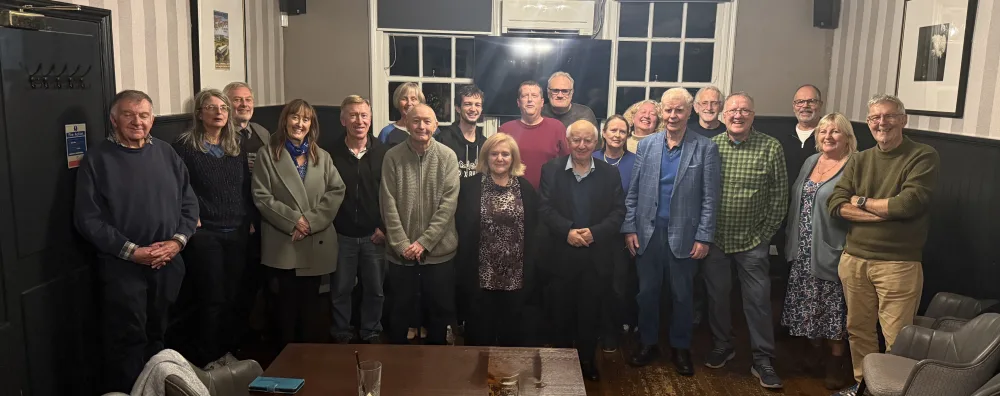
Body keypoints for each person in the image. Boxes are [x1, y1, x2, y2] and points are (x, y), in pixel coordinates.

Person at [74, 90, 198, 393]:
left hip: (168, 263)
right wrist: (133, 252)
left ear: (153, 120)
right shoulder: (97, 159)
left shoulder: (167, 153)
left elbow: (189, 204)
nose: (137, 121)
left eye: (143, 115)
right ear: (114, 119)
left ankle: (155, 389)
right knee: (127, 340)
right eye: (128, 114)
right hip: (123, 267)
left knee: (159, 333)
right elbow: (88, 219)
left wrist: (176, 243)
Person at [827, 94, 939, 396]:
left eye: (889, 116)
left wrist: (862, 202)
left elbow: (909, 203)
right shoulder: (861, 159)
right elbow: (836, 202)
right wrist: (883, 212)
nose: (881, 123)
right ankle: (865, 387)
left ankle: (895, 391)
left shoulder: (922, 155)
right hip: (853, 260)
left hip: (898, 263)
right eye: (875, 117)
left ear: (903, 119)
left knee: (899, 338)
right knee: (858, 330)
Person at [623, 88, 721, 377]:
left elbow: (710, 198)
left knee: (682, 295)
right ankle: (648, 342)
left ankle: (680, 347)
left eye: (679, 110)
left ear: (689, 112)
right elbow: (634, 190)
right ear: (661, 113)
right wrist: (629, 227)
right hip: (647, 233)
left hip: (685, 236)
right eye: (668, 110)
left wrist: (704, 236)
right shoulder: (647, 146)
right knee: (647, 293)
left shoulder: (705, 148)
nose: (673, 115)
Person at [705, 92, 788, 389]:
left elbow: (779, 197)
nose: (738, 115)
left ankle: (763, 358)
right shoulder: (710, 147)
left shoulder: (770, 147)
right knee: (717, 298)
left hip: (753, 241)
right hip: (715, 239)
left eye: (744, 110)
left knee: (758, 302)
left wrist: (765, 236)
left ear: (753, 115)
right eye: (733, 110)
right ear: (723, 115)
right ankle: (722, 345)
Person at [252, 99, 347, 347]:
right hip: (284, 244)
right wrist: (295, 221)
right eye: (295, 117)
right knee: (284, 315)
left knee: (313, 314)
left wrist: (310, 222)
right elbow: (261, 196)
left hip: (316, 242)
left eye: (306, 119)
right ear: (285, 120)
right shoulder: (267, 154)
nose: (300, 124)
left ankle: (311, 367)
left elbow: (336, 191)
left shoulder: (322, 156)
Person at [172, 89, 253, 369]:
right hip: (206, 232)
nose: (219, 112)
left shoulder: (237, 144)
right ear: (199, 113)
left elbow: (245, 186)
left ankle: (229, 352)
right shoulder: (185, 145)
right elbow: (179, 186)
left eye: (223, 108)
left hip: (238, 229)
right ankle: (208, 358)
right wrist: (190, 215)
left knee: (233, 295)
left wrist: (249, 219)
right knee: (211, 298)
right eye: (211, 107)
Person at [539, 120, 625, 382]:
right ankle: (562, 363)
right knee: (561, 313)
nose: (582, 145)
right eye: (576, 139)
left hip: (596, 256)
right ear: (568, 142)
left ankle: (587, 360)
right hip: (562, 255)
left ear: (597, 142)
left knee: (590, 313)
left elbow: (619, 211)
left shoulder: (610, 173)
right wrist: (567, 231)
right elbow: (543, 207)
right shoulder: (551, 169)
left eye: (588, 140)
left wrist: (594, 233)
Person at [780, 112, 856, 391]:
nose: (828, 136)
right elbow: (797, 199)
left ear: (847, 137)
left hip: (832, 249)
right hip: (802, 248)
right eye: (823, 132)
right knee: (807, 308)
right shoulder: (812, 161)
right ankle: (814, 355)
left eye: (835, 132)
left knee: (833, 311)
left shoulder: (854, 165)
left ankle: (836, 363)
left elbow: (855, 208)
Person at [380, 104, 461, 345]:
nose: (421, 126)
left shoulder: (448, 156)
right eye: (416, 121)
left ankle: (435, 374)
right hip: (400, 255)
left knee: (438, 316)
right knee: (399, 316)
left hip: (439, 254)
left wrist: (424, 242)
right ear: (406, 124)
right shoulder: (392, 157)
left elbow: (448, 205)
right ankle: (399, 373)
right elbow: (388, 203)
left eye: (427, 121)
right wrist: (403, 244)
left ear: (436, 126)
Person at [456, 133, 538, 347]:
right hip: (481, 275)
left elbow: (535, 230)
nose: (500, 158)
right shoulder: (469, 187)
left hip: (516, 276)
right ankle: (478, 380)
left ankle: (509, 379)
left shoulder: (526, 189)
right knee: (479, 337)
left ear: (513, 158)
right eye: (494, 154)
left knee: (512, 338)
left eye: (505, 154)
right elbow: (461, 228)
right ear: (486, 157)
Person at [329, 95, 390, 345]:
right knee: (341, 289)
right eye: (353, 115)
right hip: (341, 235)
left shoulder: (385, 154)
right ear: (343, 120)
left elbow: (391, 194)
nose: (359, 120)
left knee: (375, 290)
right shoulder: (329, 153)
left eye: (364, 115)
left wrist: (385, 228)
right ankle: (341, 330)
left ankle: (371, 330)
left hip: (374, 236)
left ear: (371, 119)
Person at [223, 81, 272, 347]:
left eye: (248, 100)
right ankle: (234, 339)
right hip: (233, 220)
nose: (244, 105)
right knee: (235, 283)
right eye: (237, 100)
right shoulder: (220, 134)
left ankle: (257, 330)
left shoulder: (262, 133)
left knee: (259, 279)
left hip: (263, 217)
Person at [592, 114, 636, 353]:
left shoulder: (636, 161)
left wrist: (631, 228)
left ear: (627, 135)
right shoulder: (592, 158)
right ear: (604, 133)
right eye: (613, 130)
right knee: (594, 283)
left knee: (618, 286)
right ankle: (594, 328)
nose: (617, 135)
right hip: (594, 233)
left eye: (622, 131)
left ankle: (612, 330)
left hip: (621, 234)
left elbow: (637, 198)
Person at [498, 80, 569, 189]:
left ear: (541, 102)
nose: (530, 100)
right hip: (514, 196)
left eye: (534, 96)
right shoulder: (505, 130)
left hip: (548, 196)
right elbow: (497, 166)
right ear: (518, 102)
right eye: (525, 96)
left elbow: (567, 164)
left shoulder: (557, 128)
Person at [436, 84, 487, 179]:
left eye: (477, 105)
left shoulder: (485, 144)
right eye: (468, 104)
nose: (473, 109)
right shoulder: (442, 140)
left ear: (481, 109)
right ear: (458, 108)